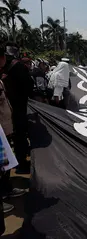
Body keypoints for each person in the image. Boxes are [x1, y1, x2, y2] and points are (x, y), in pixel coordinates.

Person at [0, 43, 33, 174]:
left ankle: (21, 163)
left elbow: (28, 87)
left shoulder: (16, 67)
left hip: (16, 108)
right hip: (9, 109)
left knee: (18, 136)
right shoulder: (9, 68)